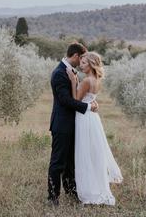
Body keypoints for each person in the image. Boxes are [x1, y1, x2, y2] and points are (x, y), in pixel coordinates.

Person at [68, 51, 123, 205]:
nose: (81, 65)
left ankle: (89, 190)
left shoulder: (86, 81)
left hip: (84, 118)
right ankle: (97, 186)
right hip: (93, 118)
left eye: (84, 63)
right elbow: (90, 99)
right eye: (81, 62)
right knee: (94, 153)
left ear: (92, 64)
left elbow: (76, 100)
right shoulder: (97, 79)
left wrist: (73, 81)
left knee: (85, 153)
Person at [46, 42, 98, 206]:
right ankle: (53, 198)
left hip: (73, 124)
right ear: (75, 56)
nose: (81, 62)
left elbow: (77, 95)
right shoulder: (59, 73)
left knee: (70, 163)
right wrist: (88, 107)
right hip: (62, 125)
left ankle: (71, 192)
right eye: (81, 58)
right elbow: (66, 101)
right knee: (58, 162)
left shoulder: (70, 72)